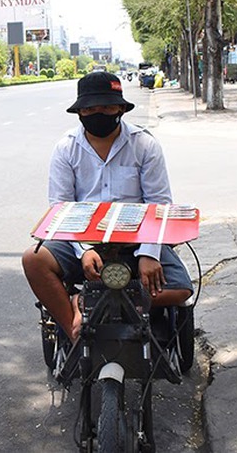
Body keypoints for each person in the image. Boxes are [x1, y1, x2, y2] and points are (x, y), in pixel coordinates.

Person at [21, 70, 193, 343]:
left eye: (107, 106)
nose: (99, 113)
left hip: (137, 240)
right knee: (33, 259)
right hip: (82, 239)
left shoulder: (144, 144)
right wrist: (84, 249)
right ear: (80, 112)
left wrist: (149, 254)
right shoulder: (66, 148)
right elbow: (61, 207)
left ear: (121, 109)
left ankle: (117, 305)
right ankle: (74, 327)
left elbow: (158, 204)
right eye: (91, 108)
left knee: (181, 290)